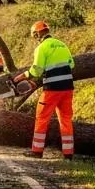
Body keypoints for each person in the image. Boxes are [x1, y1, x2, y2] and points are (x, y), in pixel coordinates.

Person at [18, 20, 74, 159]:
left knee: (42, 118)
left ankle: (37, 151)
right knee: (66, 119)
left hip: (52, 89)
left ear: (37, 34)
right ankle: (68, 154)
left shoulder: (42, 48)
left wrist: (23, 76)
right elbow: (71, 64)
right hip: (67, 88)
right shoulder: (62, 45)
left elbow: (36, 70)